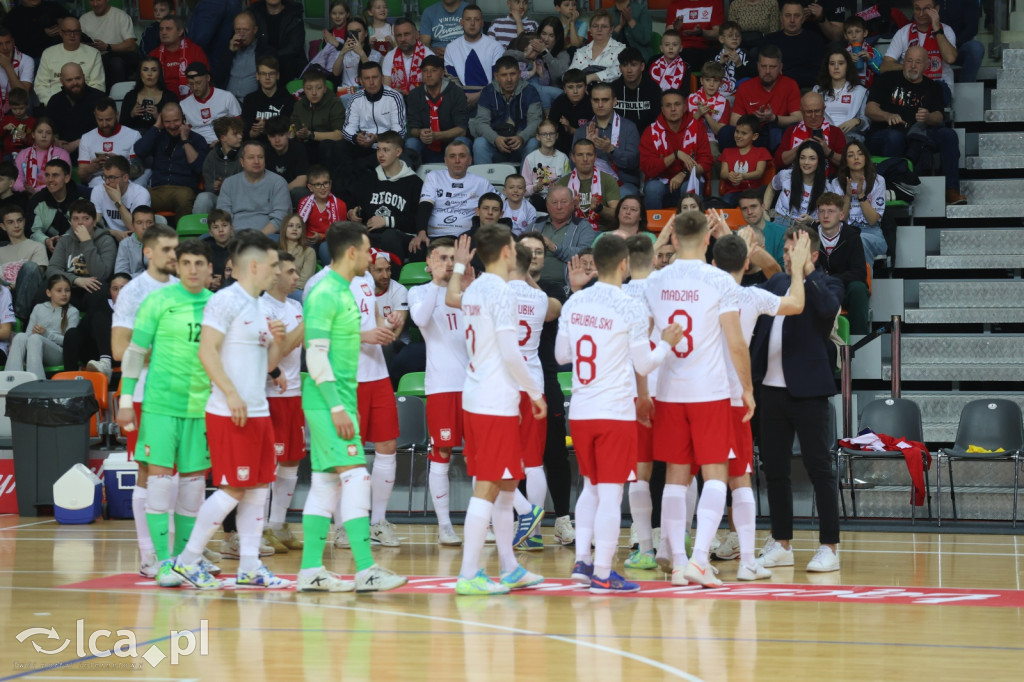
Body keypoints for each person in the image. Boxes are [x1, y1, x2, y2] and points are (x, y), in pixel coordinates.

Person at [169, 230, 291, 590]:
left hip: (257, 410)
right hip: (230, 411)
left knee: (258, 488)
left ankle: (250, 566)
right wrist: (231, 394)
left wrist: (278, 344)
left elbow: (265, 361)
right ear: (254, 266)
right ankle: (187, 561)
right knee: (234, 489)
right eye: (272, 265)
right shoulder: (225, 301)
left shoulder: (258, 305)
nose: (277, 272)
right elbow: (206, 351)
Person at [558, 235, 679, 591]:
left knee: (590, 488)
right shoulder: (629, 306)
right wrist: (666, 345)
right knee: (611, 494)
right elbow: (644, 362)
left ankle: (582, 562)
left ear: (595, 261)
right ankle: (601, 573)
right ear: (624, 264)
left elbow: (562, 355)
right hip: (613, 411)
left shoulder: (575, 302)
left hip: (580, 409)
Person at [643, 210, 754, 587]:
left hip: (669, 390)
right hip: (709, 391)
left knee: (675, 477)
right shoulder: (719, 280)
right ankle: (698, 560)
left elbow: (643, 342)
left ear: (672, 238)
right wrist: (748, 389)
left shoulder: (655, 280)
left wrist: (643, 391)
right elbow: (736, 343)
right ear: (709, 239)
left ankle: (676, 563)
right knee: (715, 474)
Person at [297, 221, 407, 592]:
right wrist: (337, 407)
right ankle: (366, 569)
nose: (371, 255)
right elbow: (315, 354)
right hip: (327, 401)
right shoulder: (325, 291)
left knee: (326, 483)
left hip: (336, 398)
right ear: (350, 253)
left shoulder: (345, 289)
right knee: (357, 476)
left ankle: (311, 570)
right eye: (366, 249)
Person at [445, 223, 546, 595]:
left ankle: (511, 567)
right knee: (487, 487)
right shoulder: (499, 292)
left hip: (483, 394)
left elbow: (452, 294)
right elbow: (510, 352)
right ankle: (470, 573)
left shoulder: (475, 289)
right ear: (507, 251)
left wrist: (458, 266)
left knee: (507, 485)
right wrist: (534, 393)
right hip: (492, 398)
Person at [114, 238, 215, 587]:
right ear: (178, 265)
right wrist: (126, 400)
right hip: (159, 407)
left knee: (191, 492)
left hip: (201, 410)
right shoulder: (157, 301)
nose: (191, 269)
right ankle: (160, 562)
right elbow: (134, 352)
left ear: (209, 270)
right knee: (158, 485)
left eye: (198, 263)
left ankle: (186, 561)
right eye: (185, 262)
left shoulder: (218, 307)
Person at [712, 229, 809, 580]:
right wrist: (797, 269)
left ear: (712, 263)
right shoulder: (750, 296)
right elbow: (796, 304)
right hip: (730, 395)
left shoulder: (697, 293)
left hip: (688, 394)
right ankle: (746, 561)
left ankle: (682, 554)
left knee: (687, 476)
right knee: (738, 478)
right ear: (747, 263)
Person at [751, 224, 844, 574]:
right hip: (770, 392)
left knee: (819, 467)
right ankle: (782, 542)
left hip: (809, 392)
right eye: (787, 250)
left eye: (796, 250)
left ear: (813, 255)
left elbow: (825, 309)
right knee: (774, 469)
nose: (788, 255)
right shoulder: (776, 284)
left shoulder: (827, 284)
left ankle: (829, 547)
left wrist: (807, 272)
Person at [110, 222, 182, 578]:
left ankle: (177, 554)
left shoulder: (184, 288)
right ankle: (149, 554)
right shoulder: (134, 292)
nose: (174, 255)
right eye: (167, 249)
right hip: (145, 393)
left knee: (181, 473)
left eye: (176, 249)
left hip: (183, 393)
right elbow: (120, 348)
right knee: (149, 472)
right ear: (148, 252)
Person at [406, 237, 466, 544]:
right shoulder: (418, 291)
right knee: (442, 452)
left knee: (481, 455)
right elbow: (419, 320)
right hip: (442, 385)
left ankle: (490, 522)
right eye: (442, 258)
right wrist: (437, 282)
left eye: (453, 258)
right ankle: (445, 526)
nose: (448, 263)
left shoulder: (468, 290)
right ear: (429, 262)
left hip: (474, 386)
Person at [349, 248, 405, 547]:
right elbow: (321, 335)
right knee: (348, 453)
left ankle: (378, 522)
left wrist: (387, 325)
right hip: (347, 377)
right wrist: (364, 336)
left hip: (376, 373)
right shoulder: (325, 283)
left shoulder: (366, 283)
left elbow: (370, 323)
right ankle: (346, 525)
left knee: (387, 446)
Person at [866, 45, 965, 205]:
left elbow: (938, 116)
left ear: (926, 65)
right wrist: (887, 115)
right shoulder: (886, 79)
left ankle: (951, 190)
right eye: (909, 60)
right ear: (903, 61)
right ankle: (894, 187)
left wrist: (928, 117)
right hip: (886, 132)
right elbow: (870, 109)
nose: (913, 65)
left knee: (949, 135)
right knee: (895, 137)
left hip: (918, 133)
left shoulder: (933, 87)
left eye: (918, 62)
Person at [260, 250, 306, 550]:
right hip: (269, 394)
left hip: (294, 392)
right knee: (271, 463)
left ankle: (278, 525)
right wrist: (309, 320)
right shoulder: (262, 307)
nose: (296, 277)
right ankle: (260, 527)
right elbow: (284, 348)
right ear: (275, 274)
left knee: (292, 460)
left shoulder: (296, 306)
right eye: (291, 272)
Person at [349, 131, 423, 257]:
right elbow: (359, 208)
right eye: (378, 150)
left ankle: (391, 275)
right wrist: (353, 213)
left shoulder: (415, 183)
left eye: (386, 150)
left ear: (398, 152)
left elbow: (416, 221)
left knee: (389, 236)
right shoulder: (369, 178)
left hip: (401, 238)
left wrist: (387, 221)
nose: (380, 155)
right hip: (371, 236)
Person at [134, 101, 209, 222]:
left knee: (183, 197)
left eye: (176, 120)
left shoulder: (197, 139)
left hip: (184, 189)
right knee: (138, 198)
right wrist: (156, 126)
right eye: (167, 122)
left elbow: (199, 168)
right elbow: (139, 150)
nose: (172, 125)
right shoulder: (158, 136)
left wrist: (185, 141)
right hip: (157, 190)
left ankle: (185, 239)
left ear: (183, 118)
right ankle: (145, 238)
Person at [640, 89, 712, 209]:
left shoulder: (697, 127)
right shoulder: (651, 131)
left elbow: (706, 162)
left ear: (685, 107)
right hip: (660, 181)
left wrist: (683, 173)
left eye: (677, 104)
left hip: (688, 178)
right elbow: (649, 169)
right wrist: (675, 155)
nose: (673, 109)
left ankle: (691, 226)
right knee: (653, 189)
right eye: (668, 105)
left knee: (689, 187)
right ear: (662, 109)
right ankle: (653, 227)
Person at [412, 140, 492, 249]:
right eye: (452, 156)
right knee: (417, 247)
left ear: (470, 160)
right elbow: (425, 205)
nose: (457, 161)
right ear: (445, 160)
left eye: (462, 156)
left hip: (466, 239)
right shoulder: (434, 177)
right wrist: (421, 233)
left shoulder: (481, 182)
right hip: (435, 236)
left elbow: (501, 205)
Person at [720, 45, 801, 152]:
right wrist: (752, 119)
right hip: (751, 136)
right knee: (725, 132)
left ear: (781, 67)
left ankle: (775, 166)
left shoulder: (790, 85)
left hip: (776, 135)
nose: (767, 71)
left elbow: (798, 118)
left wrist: (774, 118)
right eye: (763, 66)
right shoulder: (745, 87)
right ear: (758, 66)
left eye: (772, 67)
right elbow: (734, 121)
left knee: (779, 132)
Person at [470, 56, 542, 166]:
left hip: (521, 144)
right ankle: (484, 182)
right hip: (495, 143)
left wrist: (522, 137)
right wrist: (495, 139)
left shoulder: (530, 91)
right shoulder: (488, 92)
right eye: (504, 75)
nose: (509, 79)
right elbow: (481, 123)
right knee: (480, 143)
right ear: (496, 76)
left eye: (512, 74)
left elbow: (536, 122)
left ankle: (527, 182)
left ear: (519, 74)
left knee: (533, 143)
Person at [881, 0, 957, 104]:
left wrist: (937, 29)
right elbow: (885, 67)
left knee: (930, 97)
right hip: (910, 86)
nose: (921, 14)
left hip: (939, 86)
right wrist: (911, 67)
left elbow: (950, 58)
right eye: (917, 9)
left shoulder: (946, 30)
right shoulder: (903, 33)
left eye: (926, 9)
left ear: (936, 9)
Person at [814, 191, 869, 333]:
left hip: (844, 289)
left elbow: (859, 272)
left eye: (831, 211)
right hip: (817, 289)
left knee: (859, 289)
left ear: (841, 215)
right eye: (822, 211)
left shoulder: (852, 236)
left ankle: (859, 341)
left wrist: (831, 278)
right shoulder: (808, 235)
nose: (826, 216)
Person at [572, 82, 640, 196]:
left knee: (621, 195)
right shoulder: (581, 132)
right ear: (591, 102)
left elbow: (634, 162)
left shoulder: (629, 127)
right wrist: (586, 149)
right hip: (589, 183)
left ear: (614, 101)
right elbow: (573, 166)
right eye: (596, 100)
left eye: (605, 100)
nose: (600, 104)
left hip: (623, 184)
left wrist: (611, 150)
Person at [340, 61, 407, 174]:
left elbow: (400, 132)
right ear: (360, 80)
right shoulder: (356, 98)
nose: (371, 82)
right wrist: (355, 138)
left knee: (360, 166)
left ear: (381, 77)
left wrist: (377, 138)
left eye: (375, 77)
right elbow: (347, 129)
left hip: (386, 147)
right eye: (366, 78)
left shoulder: (394, 97)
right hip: (363, 146)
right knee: (338, 147)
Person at [828, 140, 887, 265]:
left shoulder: (878, 181)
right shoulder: (836, 184)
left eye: (860, 154)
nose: (856, 157)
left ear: (865, 157)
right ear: (845, 161)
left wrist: (860, 195)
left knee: (859, 241)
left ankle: (863, 283)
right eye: (850, 155)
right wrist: (848, 196)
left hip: (871, 232)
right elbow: (840, 221)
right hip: (845, 232)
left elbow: (872, 220)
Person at [6, 272, 76, 378]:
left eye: (67, 291)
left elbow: (69, 342)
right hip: (35, 349)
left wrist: (46, 334)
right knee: (20, 336)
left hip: (58, 353)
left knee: (35, 339)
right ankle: (10, 381)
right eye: (59, 291)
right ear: (48, 293)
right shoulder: (38, 308)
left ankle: (36, 384)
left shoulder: (72, 311)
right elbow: (28, 334)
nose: (64, 294)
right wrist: (34, 333)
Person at [405, 55, 470, 166]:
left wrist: (436, 135)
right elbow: (412, 129)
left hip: (450, 142)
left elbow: (461, 130)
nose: (428, 75)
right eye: (425, 71)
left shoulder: (456, 92)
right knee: (411, 142)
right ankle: (412, 179)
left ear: (442, 72)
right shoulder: (414, 95)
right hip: (424, 143)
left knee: (462, 142)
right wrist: (420, 133)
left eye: (433, 71)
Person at [216, 140, 290, 235]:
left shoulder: (278, 183)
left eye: (260, 157)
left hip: (267, 237)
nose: (256, 161)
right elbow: (223, 217)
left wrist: (257, 238)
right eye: (251, 157)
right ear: (242, 162)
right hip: (235, 237)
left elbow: (280, 219)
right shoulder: (229, 183)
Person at [444, 4, 505, 108]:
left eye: (476, 19)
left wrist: (479, 95)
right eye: (468, 19)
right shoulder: (451, 48)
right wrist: (463, 97)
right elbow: (451, 79)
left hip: (492, 98)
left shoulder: (495, 47)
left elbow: (499, 80)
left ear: (482, 23)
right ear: (461, 23)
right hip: (461, 99)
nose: (472, 23)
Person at [34, 17, 105, 105]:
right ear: (60, 32)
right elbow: (41, 85)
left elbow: (98, 85)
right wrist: (51, 103)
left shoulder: (94, 53)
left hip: (86, 104)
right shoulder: (48, 53)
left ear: (80, 32)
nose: (72, 35)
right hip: (55, 103)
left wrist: (84, 104)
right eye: (68, 31)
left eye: (76, 31)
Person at [42, 65, 106, 159]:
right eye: (69, 80)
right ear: (62, 81)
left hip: (93, 153)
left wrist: (76, 144)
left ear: (84, 77)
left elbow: (107, 129)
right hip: (60, 154)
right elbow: (45, 127)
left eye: (78, 78)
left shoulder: (99, 98)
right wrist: (54, 140)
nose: (75, 83)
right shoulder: (55, 101)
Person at [535, 185, 595, 284]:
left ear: (572, 204)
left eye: (564, 202)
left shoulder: (583, 226)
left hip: (566, 287)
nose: (559, 207)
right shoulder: (536, 225)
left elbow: (584, 256)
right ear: (547, 205)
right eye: (554, 202)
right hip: (533, 284)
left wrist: (554, 247)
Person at [775, 91, 847, 173]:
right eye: (809, 112)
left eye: (817, 111)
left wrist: (827, 151)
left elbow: (846, 163)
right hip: (795, 181)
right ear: (801, 111)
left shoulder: (835, 132)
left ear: (824, 109)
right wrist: (800, 148)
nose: (813, 116)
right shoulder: (791, 131)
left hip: (826, 182)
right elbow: (778, 162)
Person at [556, 139, 619, 231]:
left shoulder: (608, 180)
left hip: (601, 232)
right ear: (573, 158)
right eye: (580, 155)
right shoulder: (562, 183)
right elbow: (556, 217)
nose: (585, 159)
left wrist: (599, 208)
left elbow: (617, 215)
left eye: (589, 155)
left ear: (595, 157)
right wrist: (571, 209)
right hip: (571, 232)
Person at [78, 99, 142, 188]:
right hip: (96, 188)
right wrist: (91, 168)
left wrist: (119, 164)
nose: (104, 124)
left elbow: (138, 171)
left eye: (108, 119)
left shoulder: (133, 135)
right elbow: (82, 177)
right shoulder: (86, 138)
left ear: (117, 114)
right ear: (95, 116)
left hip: (124, 187)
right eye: (100, 120)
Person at [289, 70, 345, 172]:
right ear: (304, 89)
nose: (314, 93)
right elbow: (293, 127)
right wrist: (297, 133)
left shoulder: (334, 103)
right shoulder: (299, 105)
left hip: (329, 147)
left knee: (327, 145)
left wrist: (311, 134)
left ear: (324, 88)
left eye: (318, 88)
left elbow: (339, 135)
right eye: (309, 89)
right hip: (307, 145)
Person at [762, 3, 828, 90]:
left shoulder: (815, 39)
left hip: (807, 89)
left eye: (797, 16)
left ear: (803, 18)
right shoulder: (769, 40)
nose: (792, 20)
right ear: (781, 18)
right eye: (788, 15)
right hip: (776, 88)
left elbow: (819, 73)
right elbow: (761, 70)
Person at [0, 204, 48, 323]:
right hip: (4, 296)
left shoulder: (37, 246)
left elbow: (37, 275)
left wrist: (11, 286)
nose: (16, 225)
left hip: (26, 295)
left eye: (19, 221)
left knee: (31, 267)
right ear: (3, 226)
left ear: (24, 221)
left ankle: (18, 318)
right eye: (10, 222)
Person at [765, 139, 827, 228]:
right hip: (780, 223)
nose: (806, 162)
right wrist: (765, 211)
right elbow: (771, 187)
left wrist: (812, 221)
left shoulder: (826, 187)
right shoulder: (786, 175)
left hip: (806, 229)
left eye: (812, 158)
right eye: (802, 157)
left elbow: (829, 218)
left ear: (820, 161)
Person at [180, 62, 242, 145]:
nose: (194, 88)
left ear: (208, 78)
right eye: (191, 84)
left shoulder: (227, 97)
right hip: (197, 147)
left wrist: (222, 142)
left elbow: (238, 126)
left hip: (224, 144)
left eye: (198, 83)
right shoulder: (183, 105)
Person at [214, 11, 270, 103]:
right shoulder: (227, 49)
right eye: (238, 30)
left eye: (245, 30)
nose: (241, 34)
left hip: (253, 104)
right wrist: (230, 52)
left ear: (255, 30)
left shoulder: (264, 52)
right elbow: (217, 79)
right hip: (228, 104)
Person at [814, 48, 869, 141]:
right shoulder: (817, 90)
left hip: (850, 137)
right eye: (832, 64)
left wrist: (857, 121)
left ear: (847, 66)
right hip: (823, 136)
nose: (836, 67)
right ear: (827, 67)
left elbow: (867, 122)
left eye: (841, 63)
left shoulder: (860, 91)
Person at [150, 15, 209, 100]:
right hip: (161, 100)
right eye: (161, 29)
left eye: (168, 29)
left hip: (192, 99)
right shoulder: (154, 54)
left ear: (180, 31)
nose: (163, 32)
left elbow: (205, 81)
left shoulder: (195, 51)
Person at [80, 0, 137, 88]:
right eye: (91, 1)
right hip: (92, 57)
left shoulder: (121, 16)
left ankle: (117, 96)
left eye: (98, 0)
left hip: (115, 57)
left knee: (115, 63)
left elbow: (131, 46)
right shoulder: (84, 19)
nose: (95, 4)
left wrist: (107, 47)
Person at [29, 159, 83, 251]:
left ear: (67, 178)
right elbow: (33, 231)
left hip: (77, 247)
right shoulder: (38, 200)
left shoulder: (80, 198)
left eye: (55, 175)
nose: (50, 180)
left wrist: (66, 239)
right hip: (47, 249)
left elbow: (88, 227)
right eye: (47, 175)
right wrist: (46, 240)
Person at [90, 155, 151, 236]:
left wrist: (118, 202)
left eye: (112, 177)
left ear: (125, 177)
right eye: (105, 177)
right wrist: (114, 233)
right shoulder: (98, 191)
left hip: (133, 237)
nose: (107, 182)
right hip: (108, 236)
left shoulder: (141, 194)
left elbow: (137, 228)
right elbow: (94, 226)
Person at [193, 117, 242, 216]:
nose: (240, 137)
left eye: (241, 133)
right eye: (235, 134)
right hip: (218, 198)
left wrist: (225, 186)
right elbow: (208, 184)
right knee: (203, 198)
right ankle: (198, 230)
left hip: (238, 200)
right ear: (223, 138)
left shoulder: (245, 154)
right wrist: (215, 187)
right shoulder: (211, 156)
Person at [718, 116, 772, 206]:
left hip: (754, 193)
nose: (738, 136)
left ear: (754, 136)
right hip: (733, 193)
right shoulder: (727, 152)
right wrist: (729, 175)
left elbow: (759, 173)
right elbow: (723, 173)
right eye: (737, 131)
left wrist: (743, 176)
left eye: (744, 133)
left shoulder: (761, 151)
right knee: (725, 204)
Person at [298, 165, 346, 261]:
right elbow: (301, 228)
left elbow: (341, 234)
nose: (323, 188)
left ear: (330, 183)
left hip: (330, 242)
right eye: (318, 184)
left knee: (324, 247)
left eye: (325, 183)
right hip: (309, 242)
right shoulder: (303, 203)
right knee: (306, 249)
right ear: (310, 187)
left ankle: (331, 275)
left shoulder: (340, 205)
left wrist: (322, 237)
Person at [249, 0, 305, 82]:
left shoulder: (294, 12)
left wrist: (271, 57)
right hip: (260, 65)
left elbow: (295, 47)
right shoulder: (254, 12)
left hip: (289, 65)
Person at [241, 57, 294, 141]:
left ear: (278, 76)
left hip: (280, 144)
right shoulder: (249, 100)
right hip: (256, 146)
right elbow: (245, 132)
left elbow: (290, 130)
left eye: (271, 73)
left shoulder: (288, 100)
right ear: (257, 76)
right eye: (263, 73)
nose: (267, 77)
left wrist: (267, 127)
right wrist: (253, 133)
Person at [120, 56, 177, 134]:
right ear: (140, 73)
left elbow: (176, 127)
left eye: (154, 70)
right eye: (145, 70)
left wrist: (158, 117)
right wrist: (132, 114)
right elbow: (121, 127)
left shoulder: (170, 97)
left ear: (160, 73)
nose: (149, 74)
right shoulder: (130, 96)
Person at [14, 119, 70, 195]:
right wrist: (25, 190)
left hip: (52, 195)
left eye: (48, 133)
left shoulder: (62, 154)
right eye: (40, 132)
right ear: (33, 134)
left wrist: (36, 191)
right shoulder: (23, 154)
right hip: (25, 195)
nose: (44, 136)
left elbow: (63, 179)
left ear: (53, 136)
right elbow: (16, 178)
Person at [522, 119, 569, 209]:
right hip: (537, 200)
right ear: (538, 137)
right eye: (544, 134)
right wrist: (535, 188)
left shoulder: (563, 158)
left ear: (557, 135)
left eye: (551, 133)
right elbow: (523, 189)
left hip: (558, 199)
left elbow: (569, 184)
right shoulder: (530, 158)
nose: (548, 137)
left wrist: (556, 189)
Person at [611, 48, 661, 132]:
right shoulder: (613, 88)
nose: (629, 70)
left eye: (633, 65)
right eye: (625, 65)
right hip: (618, 137)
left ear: (642, 66)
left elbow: (657, 121)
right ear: (620, 68)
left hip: (646, 137)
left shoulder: (653, 89)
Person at [1, 0, 69, 63]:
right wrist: (42, 33)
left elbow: (73, 23)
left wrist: (64, 23)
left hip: (60, 55)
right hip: (32, 58)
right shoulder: (13, 15)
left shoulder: (54, 7)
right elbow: (14, 41)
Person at [568, 10, 625, 85]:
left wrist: (591, 77)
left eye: (604, 26)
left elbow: (617, 71)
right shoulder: (581, 52)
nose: (599, 29)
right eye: (595, 26)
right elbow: (569, 75)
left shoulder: (620, 49)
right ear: (590, 29)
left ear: (611, 29)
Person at [687, 62, 731, 152]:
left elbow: (720, 133)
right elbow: (683, 126)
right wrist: (698, 113)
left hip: (711, 140)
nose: (711, 84)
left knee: (713, 154)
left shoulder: (724, 103)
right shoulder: (690, 98)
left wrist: (706, 114)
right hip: (689, 137)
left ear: (721, 83)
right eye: (707, 80)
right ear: (701, 81)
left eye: (715, 81)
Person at [548, 69, 593, 155]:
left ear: (586, 87)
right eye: (570, 87)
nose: (575, 91)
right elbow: (552, 129)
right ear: (564, 89)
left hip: (586, 148)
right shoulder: (558, 103)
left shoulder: (592, 104)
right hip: (562, 147)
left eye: (579, 86)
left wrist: (571, 130)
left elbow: (593, 134)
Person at [666, 0, 724, 67]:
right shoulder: (675, 4)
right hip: (681, 50)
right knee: (654, 61)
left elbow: (718, 34)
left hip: (706, 49)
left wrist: (701, 33)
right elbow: (667, 36)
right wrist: (675, 29)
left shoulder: (715, 2)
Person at [942, 0, 984, 84]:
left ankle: (965, 87)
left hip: (958, 47)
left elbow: (972, 28)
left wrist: (953, 45)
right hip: (932, 47)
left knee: (976, 48)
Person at [382, 18, 428, 96]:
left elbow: (432, 88)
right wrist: (394, 92)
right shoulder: (390, 56)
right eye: (399, 35)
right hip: (396, 101)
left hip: (422, 102)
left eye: (406, 34)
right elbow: (386, 88)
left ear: (417, 34)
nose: (403, 39)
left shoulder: (427, 55)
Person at [276, 214, 316, 296]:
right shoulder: (274, 250)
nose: (295, 229)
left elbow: (304, 281)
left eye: (298, 227)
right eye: (290, 226)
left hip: (295, 290)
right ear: (284, 229)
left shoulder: (309, 252)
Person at [0, 28, 36, 115]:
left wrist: (7, 66)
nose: (5, 48)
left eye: (8, 42)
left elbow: (23, 94)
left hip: (16, 104)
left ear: (13, 41)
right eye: (0, 44)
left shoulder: (27, 60)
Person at [113, 205, 155, 277]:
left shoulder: (163, 243)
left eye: (149, 222)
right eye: (139, 223)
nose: (145, 227)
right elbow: (120, 275)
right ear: (132, 226)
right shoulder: (125, 244)